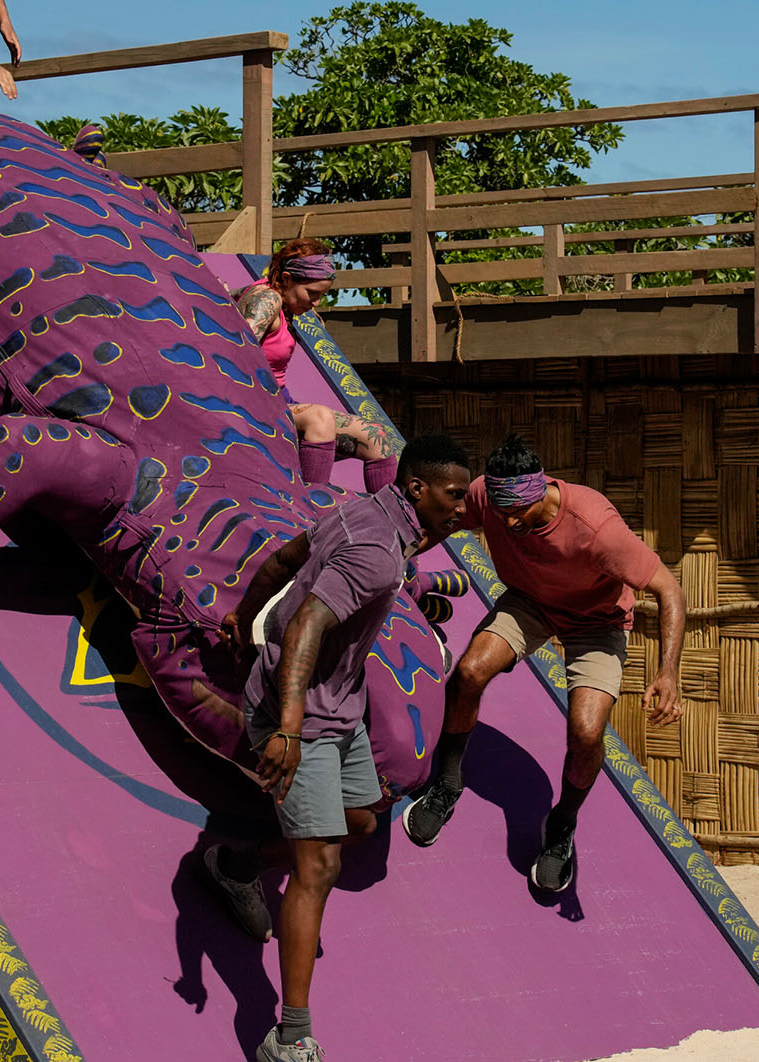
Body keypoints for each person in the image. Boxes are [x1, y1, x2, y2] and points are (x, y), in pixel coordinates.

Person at [202, 434, 472, 1062]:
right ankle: (289, 1036)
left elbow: (281, 561)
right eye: (454, 496)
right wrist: (290, 727)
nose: (462, 508)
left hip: (339, 707)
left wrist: (243, 618)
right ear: (417, 489)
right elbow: (305, 626)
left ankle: (237, 866)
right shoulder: (376, 552)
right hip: (298, 712)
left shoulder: (360, 509)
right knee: (318, 868)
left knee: (361, 821)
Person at [401, 433, 686, 892]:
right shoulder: (487, 495)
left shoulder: (596, 527)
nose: (509, 521)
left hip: (596, 623)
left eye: (520, 513)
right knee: (470, 672)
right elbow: (443, 524)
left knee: (587, 731)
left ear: (542, 493)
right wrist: (395, 557)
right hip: (529, 602)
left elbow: (669, 590)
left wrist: (668, 672)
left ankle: (562, 826)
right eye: (502, 512)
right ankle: (448, 781)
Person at [236, 238, 399, 489]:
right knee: (319, 417)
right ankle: (313, 516)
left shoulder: (277, 299)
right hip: (257, 404)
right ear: (287, 279)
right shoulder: (268, 300)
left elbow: (233, 297)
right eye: (312, 294)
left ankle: (390, 523)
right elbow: (237, 353)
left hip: (281, 403)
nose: (316, 303)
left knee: (377, 437)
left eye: (322, 295)